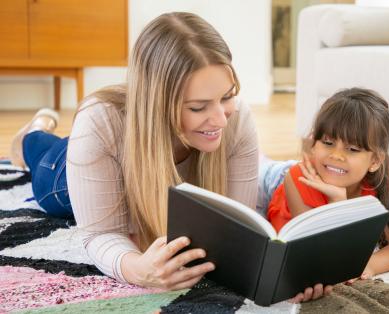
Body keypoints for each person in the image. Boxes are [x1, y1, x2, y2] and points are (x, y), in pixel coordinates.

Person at [9, 12, 258, 291]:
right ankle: (31, 133)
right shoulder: (99, 121)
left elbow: (243, 227)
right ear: (157, 103)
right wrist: (137, 270)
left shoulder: (237, 120)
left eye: (226, 96)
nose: (222, 120)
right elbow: (100, 234)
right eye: (198, 107)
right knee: (42, 154)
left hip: (104, 146)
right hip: (66, 174)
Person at [267, 88, 389, 295]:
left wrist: (368, 265)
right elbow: (320, 258)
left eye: (352, 149)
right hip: (273, 180)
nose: (337, 155)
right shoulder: (296, 180)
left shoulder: (383, 180)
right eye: (328, 143)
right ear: (313, 143)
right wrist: (338, 202)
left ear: (375, 161)